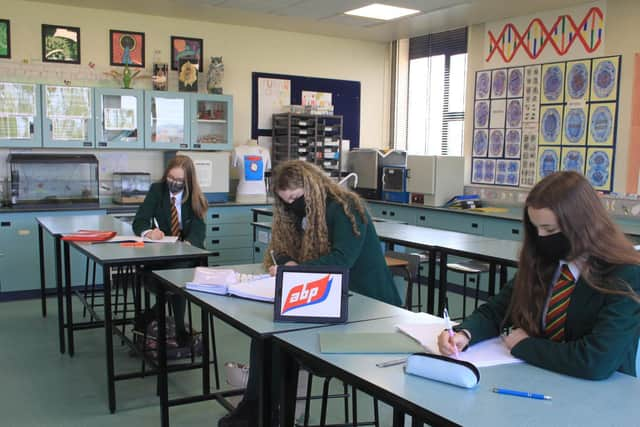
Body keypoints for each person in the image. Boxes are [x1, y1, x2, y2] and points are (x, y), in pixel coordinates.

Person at [218, 160, 401, 427]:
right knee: (265, 337)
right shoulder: (304, 212)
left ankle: (267, 411)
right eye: (286, 201)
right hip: (332, 299)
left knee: (280, 341)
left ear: (312, 188)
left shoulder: (347, 208)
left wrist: (296, 271)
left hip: (372, 311)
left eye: (295, 198)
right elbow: (287, 252)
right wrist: (284, 260)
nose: (292, 205)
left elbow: (341, 260)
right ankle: (257, 408)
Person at [438, 171, 640, 380]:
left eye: (549, 229)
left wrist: (525, 346)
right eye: (536, 229)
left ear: (582, 225)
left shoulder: (625, 274)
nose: (541, 238)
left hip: (602, 395)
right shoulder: (544, 261)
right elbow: (498, 310)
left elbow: (596, 360)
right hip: (543, 376)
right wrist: (464, 333)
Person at [132, 154, 208, 346]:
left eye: (179, 180)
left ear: (188, 181)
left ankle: (153, 314)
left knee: (180, 268)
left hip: (186, 255)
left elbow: (200, 227)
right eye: (170, 178)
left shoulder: (194, 196)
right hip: (162, 255)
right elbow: (139, 220)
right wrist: (149, 232)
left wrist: (191, 243)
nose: (173, 183)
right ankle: (179, 330)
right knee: (175, 274)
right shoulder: (157, 190)